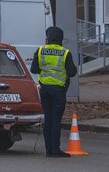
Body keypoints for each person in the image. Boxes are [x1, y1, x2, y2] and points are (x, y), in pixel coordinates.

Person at [30, 26, 77, 158]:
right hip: (58, 90)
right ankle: (55, 150)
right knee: (56, 120)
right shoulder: (65, 52)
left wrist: (46, 71)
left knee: (48, 119)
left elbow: (34, 69)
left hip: (44, 89)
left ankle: (48, 150)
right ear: (61, 39)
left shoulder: (40, 51)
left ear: (48, 38)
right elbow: (72, 72)